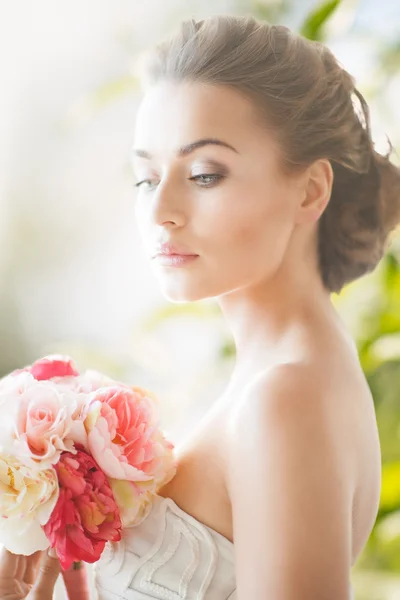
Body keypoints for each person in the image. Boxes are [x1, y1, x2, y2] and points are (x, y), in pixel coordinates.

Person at [2, 12, 400, 600]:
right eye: (145, 178)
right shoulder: (287, 381)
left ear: (311, 189)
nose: (162, 209)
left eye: (205, 174)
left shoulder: (285, 398)